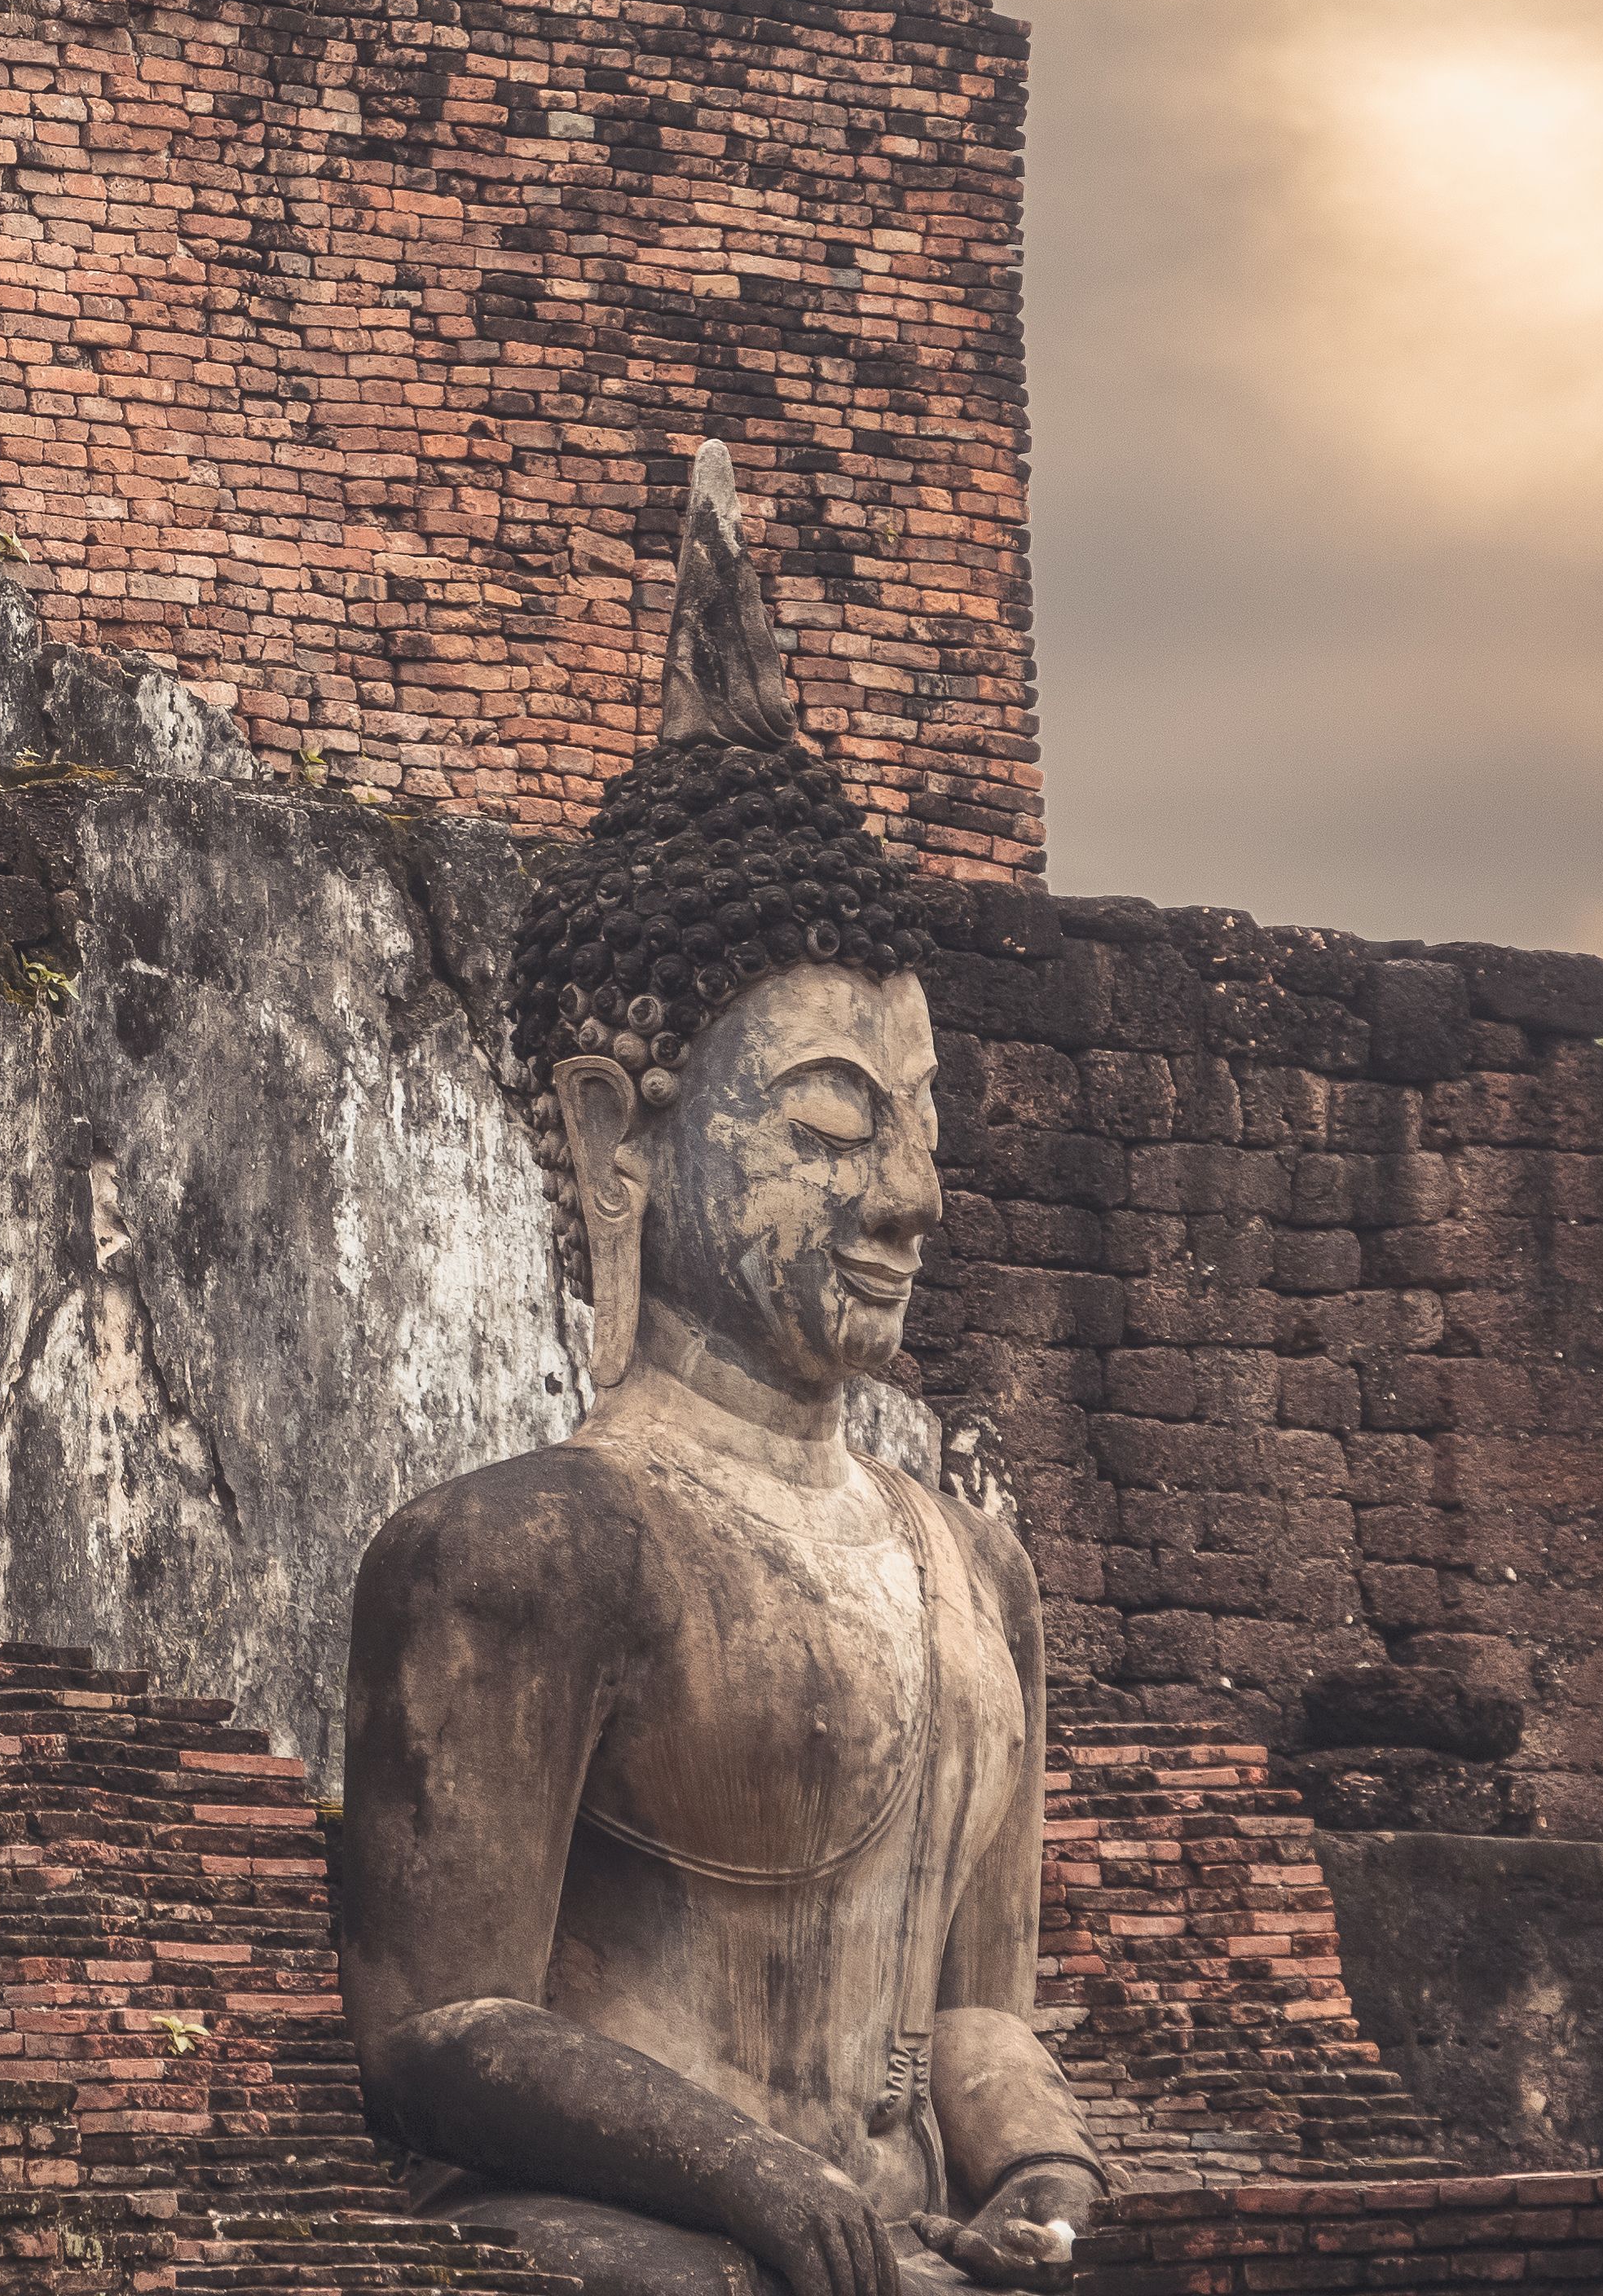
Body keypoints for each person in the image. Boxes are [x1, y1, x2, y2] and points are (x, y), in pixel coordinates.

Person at [336, 445, 1104, 2296]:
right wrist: (746, 2179)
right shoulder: (521, 1553)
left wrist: (1039, 2171)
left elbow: (978, 2008)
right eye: (834, 1127)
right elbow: (440, 2033)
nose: (910, 1195)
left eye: (921, 1126)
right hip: (632, 2248)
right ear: (619, 1143)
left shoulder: (972, 1565)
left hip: (889, 2251)